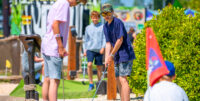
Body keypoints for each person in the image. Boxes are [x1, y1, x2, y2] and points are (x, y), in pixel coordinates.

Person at [41, 0, 87, 100]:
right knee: (55, 80)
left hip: (47, 44)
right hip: (54, 46)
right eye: (78, 1)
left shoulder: (58, 2)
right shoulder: (64, 4)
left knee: (47, 79)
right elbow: (55, 25)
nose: (75, 4)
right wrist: (61, 47)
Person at [101, 4, 136, 101]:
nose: (106, 15)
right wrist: (106, 58)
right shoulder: (105, 26)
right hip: (116, 55)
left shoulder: (118, 23)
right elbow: (108, 43)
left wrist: (111, 55)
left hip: (125, 53)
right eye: (104, 14)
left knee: (122, 79)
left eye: (108, 13)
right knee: (117, 79)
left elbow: (119, 40)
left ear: (112, 12)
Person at [83, 11, 106, 91]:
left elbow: (104, 38)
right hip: (90, 49)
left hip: (99, 49)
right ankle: (91, 83)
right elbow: (86, 39)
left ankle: (99, 83)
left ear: (99, 18)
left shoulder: (103, 26)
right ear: (91, 18)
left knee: (99, 67)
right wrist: (85, 50)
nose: (95, 19)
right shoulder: (88, 28)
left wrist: (103, 47)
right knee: (89, 65)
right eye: (93, 17)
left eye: (96, 17)